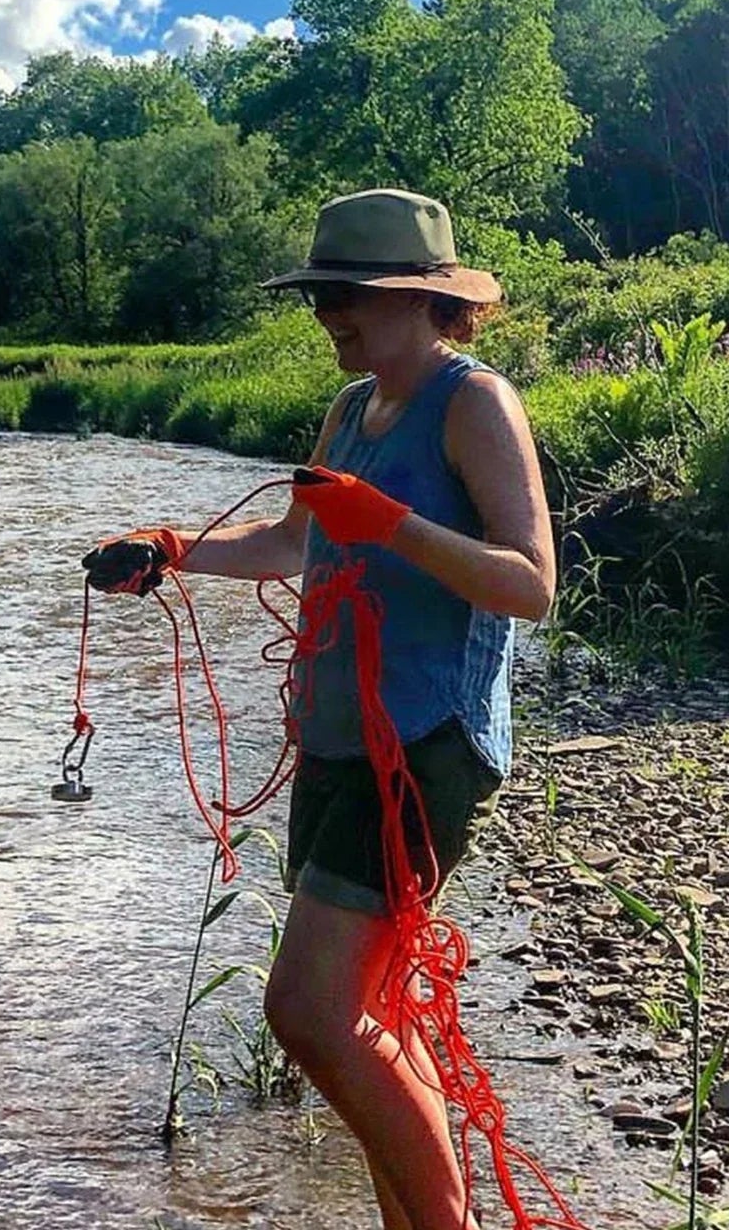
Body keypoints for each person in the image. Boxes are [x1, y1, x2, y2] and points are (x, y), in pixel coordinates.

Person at [83, 188, 555, 1230]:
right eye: (318, 295)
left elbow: (529, 584)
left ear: (429, 302)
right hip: (343, 741)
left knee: (306, 1010)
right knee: (373, 1010)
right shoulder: (351, 410)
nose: (327, 313)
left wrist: (389, 523)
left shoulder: (474, 402)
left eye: (348, 294)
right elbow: (299, 543)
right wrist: (171, 553)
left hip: (426, 744)